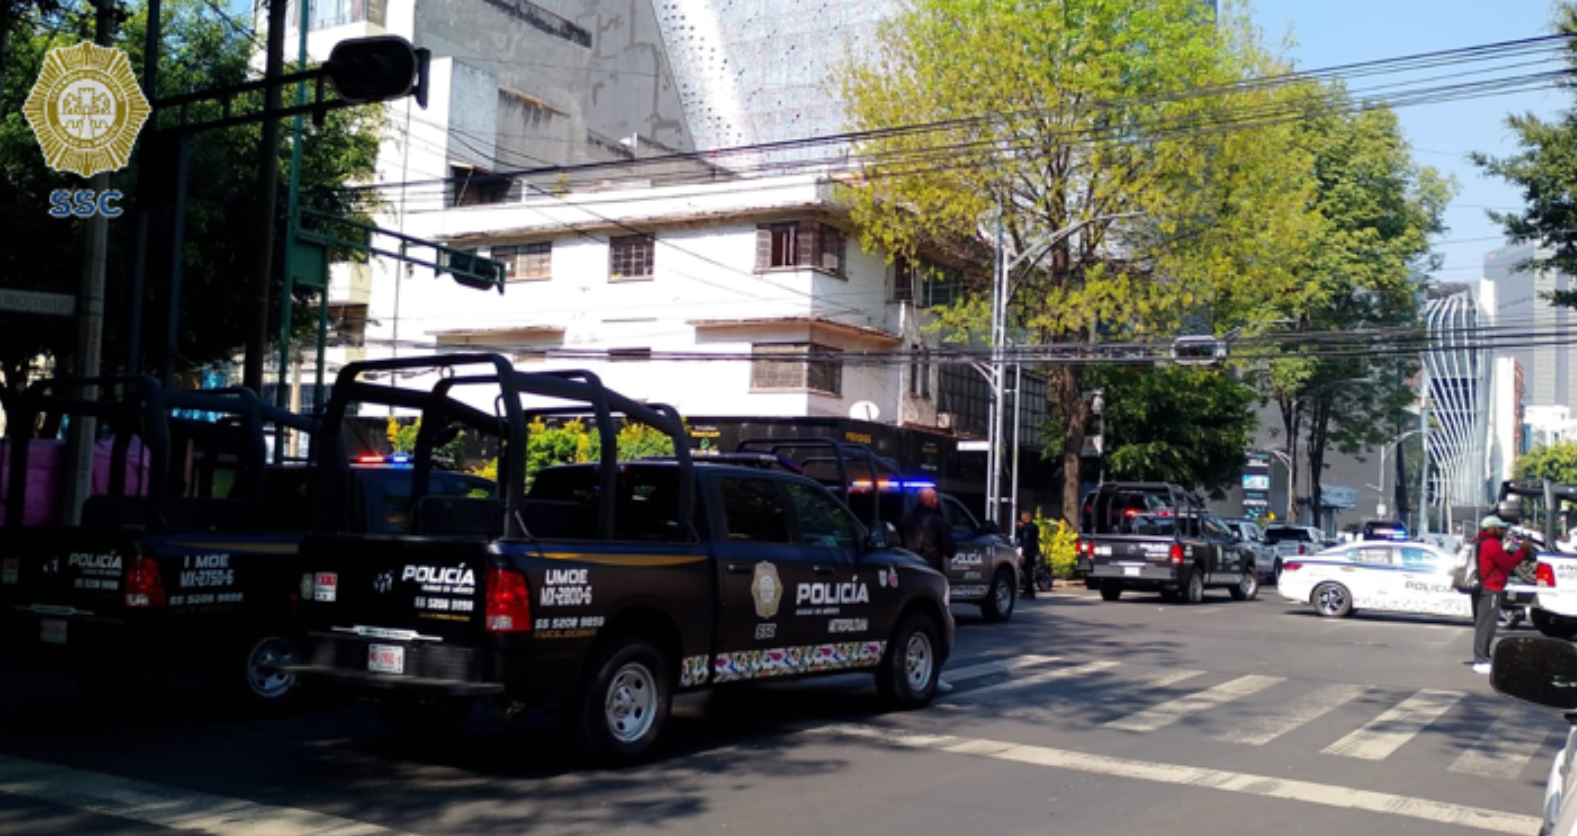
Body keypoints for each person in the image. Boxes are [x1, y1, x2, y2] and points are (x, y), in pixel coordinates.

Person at [898, 487, 954, 693]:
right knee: (936, 628)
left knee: (910, 628)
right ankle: (933, 674)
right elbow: (950, 550)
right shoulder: (939, 523)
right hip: (932, 577)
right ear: (933, 502)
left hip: (908, 575)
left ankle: (910, 672)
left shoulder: (904, 521)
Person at [1470, 515, 1535, 674]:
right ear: (1491, 529)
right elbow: (1508, 564)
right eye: (1500, 528)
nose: (1502, 531)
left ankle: (1484, 656)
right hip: (1490, 588)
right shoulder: (1492, 544)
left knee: (1483, 624)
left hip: (1482, 588)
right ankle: (1480, 659)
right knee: (1487, 626)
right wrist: (1522, 551)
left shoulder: (1479, 541)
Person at [1016, 511, 1042, 598]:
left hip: (1027, 552)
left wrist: (1023, 554)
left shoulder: (1026, 529)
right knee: (1029, 572)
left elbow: (1026, 541)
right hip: (1033, 551)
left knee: (1027, 573)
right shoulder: (1034, 527)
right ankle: (1029, 591)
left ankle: (1029, 591)